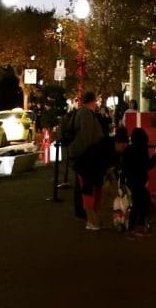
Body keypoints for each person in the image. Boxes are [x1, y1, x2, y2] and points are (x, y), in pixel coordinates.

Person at [67, 91, 107, 230]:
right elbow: (87, 135)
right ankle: (84, 213)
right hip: (84, 154)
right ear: (93, 101)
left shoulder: (83, 113)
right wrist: (90, 152)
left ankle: (82, 213)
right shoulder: (85, 114)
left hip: (82, 153)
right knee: (84, 185)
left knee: (82, 184)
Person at [121, 126, 156, 237]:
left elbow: (124, 167)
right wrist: (155, 158)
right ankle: (134, 227)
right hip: (139, 180)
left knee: (139, 202)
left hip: (131, 180)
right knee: (141, 203)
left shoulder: (128, 150)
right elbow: (147, 165)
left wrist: (122, 180)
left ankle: (135, 226)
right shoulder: (142, 150)